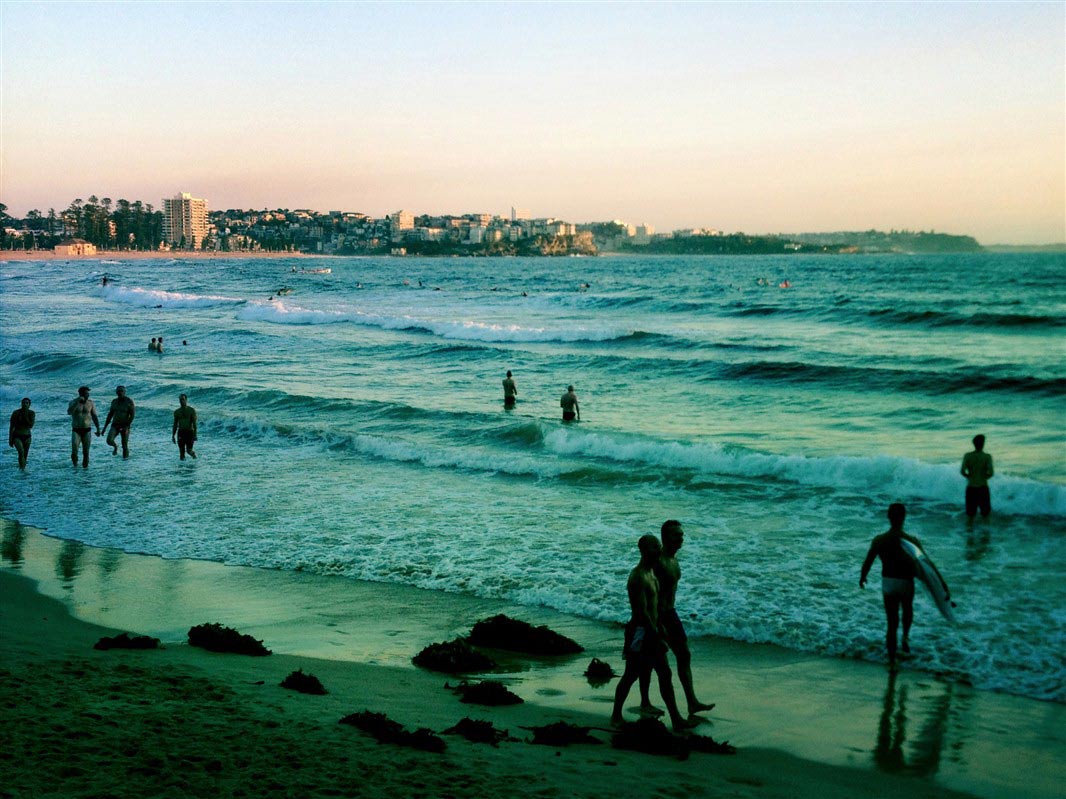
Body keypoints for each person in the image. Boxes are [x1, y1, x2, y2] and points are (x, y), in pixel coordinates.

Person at [611, 535, 695, 732]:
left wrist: (662, 630)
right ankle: (615, 715)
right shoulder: (638, 577)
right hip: (640, 633)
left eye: (659, 547)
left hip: (653, 630)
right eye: (654, 548)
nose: (659, 551)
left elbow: (655, 608)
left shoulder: (652, 574)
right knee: (631, 675)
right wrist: (657, 636)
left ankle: (676, 718)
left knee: (665, 673)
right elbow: (641, 614)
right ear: (643, 550)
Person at [638, 520, 715, 717]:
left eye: (681, 535)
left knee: (684, 655)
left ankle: (692, 702)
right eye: (675, 535)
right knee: (649, 662)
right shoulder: (659, 562)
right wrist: (657, 626)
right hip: (659, 616)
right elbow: (649, 594)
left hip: (671, 613)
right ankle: (645, 702)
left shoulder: (673, 560)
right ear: (664, 538)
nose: (680, 538)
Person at [860, 503, 920, 670]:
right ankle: (906, 637)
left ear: (888, 517)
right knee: (907, 608)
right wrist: (940, 586)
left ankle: (892, 660)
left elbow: (868, 561)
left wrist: (863, 577)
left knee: (891, 622)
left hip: (889, 582)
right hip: (906, 582)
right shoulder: (912, 541)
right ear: (904, 517)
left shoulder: (880, 540)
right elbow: (925, 566)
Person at [961, 435, 994, 520]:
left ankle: (969, 532)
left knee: (970, 515)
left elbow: (962, 471)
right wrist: (983, 477)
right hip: (983, 487)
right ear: (983, 444)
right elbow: (991, 473)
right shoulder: (987, 457)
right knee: (985, 515)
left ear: (974, 444)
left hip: (971, 487)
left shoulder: (968, 456)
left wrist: (969, 477)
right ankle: (985, 532)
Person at [67, 386, 101, 467]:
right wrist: (77, 402)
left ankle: (85, 472)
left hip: (87, 430)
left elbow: (94, 416)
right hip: (76, 430)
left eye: (88, 393)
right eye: (86, 393)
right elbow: (69, 412)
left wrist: (98, 428)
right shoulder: (73, 402)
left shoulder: (90, 403)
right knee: (74, 451)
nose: (87, 395)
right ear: (80, 394)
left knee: (86, 452)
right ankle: (75, 467)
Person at [102, 385, 136, 458]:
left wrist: (127, 426)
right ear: (116, 392)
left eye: (121, 391)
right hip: (115, 425)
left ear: (124, 392)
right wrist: (104, 427)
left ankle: (125, 463)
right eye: (118, 391)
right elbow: (110, 415)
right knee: (109, 440)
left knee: (124, 445)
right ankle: (115, 447)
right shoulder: (114, 402)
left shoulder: (129, 401)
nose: (120, 393)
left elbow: (132, 415)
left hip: (125, 425)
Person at [8, 397, 35, 469]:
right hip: (17, 436)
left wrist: (25, 415)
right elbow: (12, 426)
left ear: (29, 405)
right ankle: (22, 469)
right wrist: (10, 439)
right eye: (23, 403)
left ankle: (22, 469)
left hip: (27, 436)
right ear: (21, 404)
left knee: (25, 455)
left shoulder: (31, 413)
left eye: (27, 403)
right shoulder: (16, 413)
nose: (25, 404)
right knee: (21, 452)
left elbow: (31, 425)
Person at [172, 393, 197, 460]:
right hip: (181, 432)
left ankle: (194, 458)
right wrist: (173, 435)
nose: (181, 401)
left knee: (189, 451)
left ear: (186, 400)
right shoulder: (177, 412)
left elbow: (194, 424)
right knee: (181, 453)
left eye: (183, 399)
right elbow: (175, 424)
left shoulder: (191, 410)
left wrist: (195, 435)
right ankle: (182, 469)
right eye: (180, 400)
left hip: (189, 432)